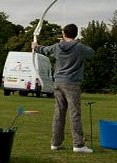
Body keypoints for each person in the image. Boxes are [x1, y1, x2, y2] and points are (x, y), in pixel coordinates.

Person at [31, 23, 95, 153]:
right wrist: (76, 43)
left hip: (58, 83)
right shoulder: (80, 48)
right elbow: (92, 53)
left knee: (59, 114)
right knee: (74, 114)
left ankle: (55, 143)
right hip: (72, 84)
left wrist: (35, 46)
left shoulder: (57, 47)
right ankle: (78, 145)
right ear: (76, 34)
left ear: (64, 34)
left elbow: (44, 50)